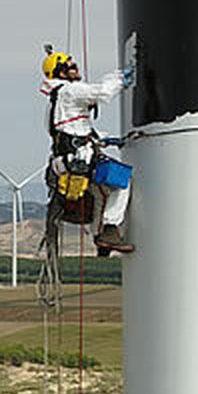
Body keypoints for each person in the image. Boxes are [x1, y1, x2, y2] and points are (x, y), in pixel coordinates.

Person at [40, 46, 136, 253]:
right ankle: (109, 230)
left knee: (100, 193)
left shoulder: (55, 100)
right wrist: (122, 77)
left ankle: (99, 236)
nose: (76, 68)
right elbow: (102, 92)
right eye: (71, 66)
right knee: (122, 182)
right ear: (61, 72)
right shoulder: (70, 91)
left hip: (65, 161)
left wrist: (103, 139)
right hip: (78, 159)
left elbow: (71, 130)